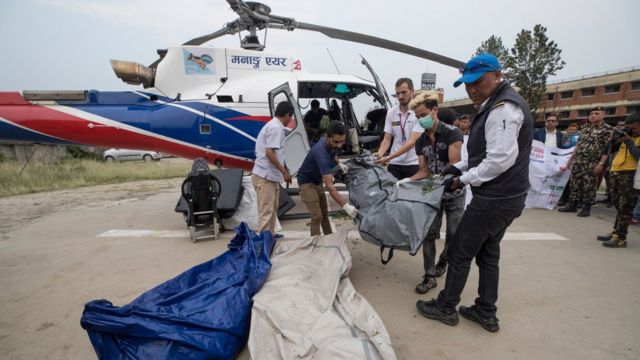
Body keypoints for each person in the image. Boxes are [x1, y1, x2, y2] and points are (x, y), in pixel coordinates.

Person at [416, 53, 533, 333]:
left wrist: (463, 179)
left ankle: (446, 306)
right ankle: (485, 311)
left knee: (459, 251)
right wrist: (457, 169)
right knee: (488, 253)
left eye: (477, 82)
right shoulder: (493, 105)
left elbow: (499, 160)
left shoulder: (503, 109)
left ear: (497, 76)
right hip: (508, 197)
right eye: (467, 84)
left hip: (494, 198)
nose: (471, 89)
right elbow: (483, 153)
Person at [397, 90, 464, 294]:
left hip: (454, 192)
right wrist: (407, 180)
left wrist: (442, 179)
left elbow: (455, 165)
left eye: (423, 115)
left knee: (454, 235)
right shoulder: (420, 142)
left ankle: (444, 260)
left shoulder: (453, 133)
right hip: (431, 192)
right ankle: (429, 276)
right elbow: (424, 170)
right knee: (428, 234)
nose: (421, 119)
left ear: (435, 110)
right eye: (417, 117)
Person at [297, 121, 357, 235]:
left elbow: (333, 152)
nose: (339, 145)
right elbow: (330, 186)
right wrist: (345, 205)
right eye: (336, 141)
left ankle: (329, 237)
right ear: (328, 137)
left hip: (317, 181)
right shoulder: (320, 152)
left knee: (324, 213)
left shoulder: (328, 141)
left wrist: (339, 163)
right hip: (306, 183)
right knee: (317, 216)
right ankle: (316, 244)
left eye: (342, 141)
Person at [558, 106, 612, 217]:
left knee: (589, 184)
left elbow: (607, 149)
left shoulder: (607, 129)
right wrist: (570, 160)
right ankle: (572, 205)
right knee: (575, 183)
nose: (593, 115)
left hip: (592, 161)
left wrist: (601, 164)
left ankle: (586, 207)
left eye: (597, 113)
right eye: (591, 113)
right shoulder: (585, 128)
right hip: (578, 160)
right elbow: (578, 145)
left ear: (603, 115)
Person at [596, 114, 640, 247]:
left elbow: (638, 156)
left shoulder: (631, 139)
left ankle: (621, 238)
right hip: (616, 171)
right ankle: (615, 231)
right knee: (618, 205)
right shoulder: (625, 136)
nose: (632, 131)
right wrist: (613, 140)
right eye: (629, 128)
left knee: (625, 207)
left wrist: (628, 141)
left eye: (634, 128)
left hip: (630, 174)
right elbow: (607, 150)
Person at [251, 101, 293, 237]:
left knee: (273, 209)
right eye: (290, 117)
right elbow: (269, 153)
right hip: (265, 177)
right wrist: (284, 172)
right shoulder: (276, 127)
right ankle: (262, 244)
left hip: (269, 176)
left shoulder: (273, 125)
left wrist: (283, 169)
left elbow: (277, 154)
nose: (290, 120)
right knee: (266, 212)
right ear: (287, 115)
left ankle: (271, 235)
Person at [374, 78, 422, 179]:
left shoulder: (418, 112)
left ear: (412, 91)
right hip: (394, 164)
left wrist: (388, 157)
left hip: (413, 163)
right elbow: (387, 139)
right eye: (397, 93)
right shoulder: (391, 112)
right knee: (392, 194)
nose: (400, 96)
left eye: (404, 92)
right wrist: (380, 153)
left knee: (411, 194)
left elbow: (411, 142)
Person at [598, 120, 627, 206]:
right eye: (618, 125)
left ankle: (615, 199)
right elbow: (608, 147)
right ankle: (609, 196)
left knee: (617, 182)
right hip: (609, 162)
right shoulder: (614, 136)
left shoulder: (626, 136)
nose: (619, 126)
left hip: (620, 163)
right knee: (608, 180)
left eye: (622, 125)